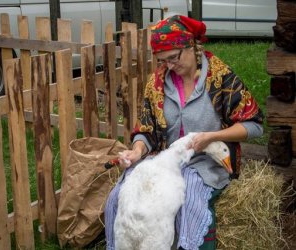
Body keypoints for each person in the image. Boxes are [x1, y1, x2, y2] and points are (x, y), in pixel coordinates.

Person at [105, 15, 264, 250]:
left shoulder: (220, 78)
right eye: (162, 60)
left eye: (173, 58)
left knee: (190, 204)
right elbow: (146, 130)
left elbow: (254, 125)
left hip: (203, 162)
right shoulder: (157, 82)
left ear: (191, 45)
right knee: (117, 198)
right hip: (163, 161)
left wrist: (213, 136)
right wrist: (137, 151)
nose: (169, 66)